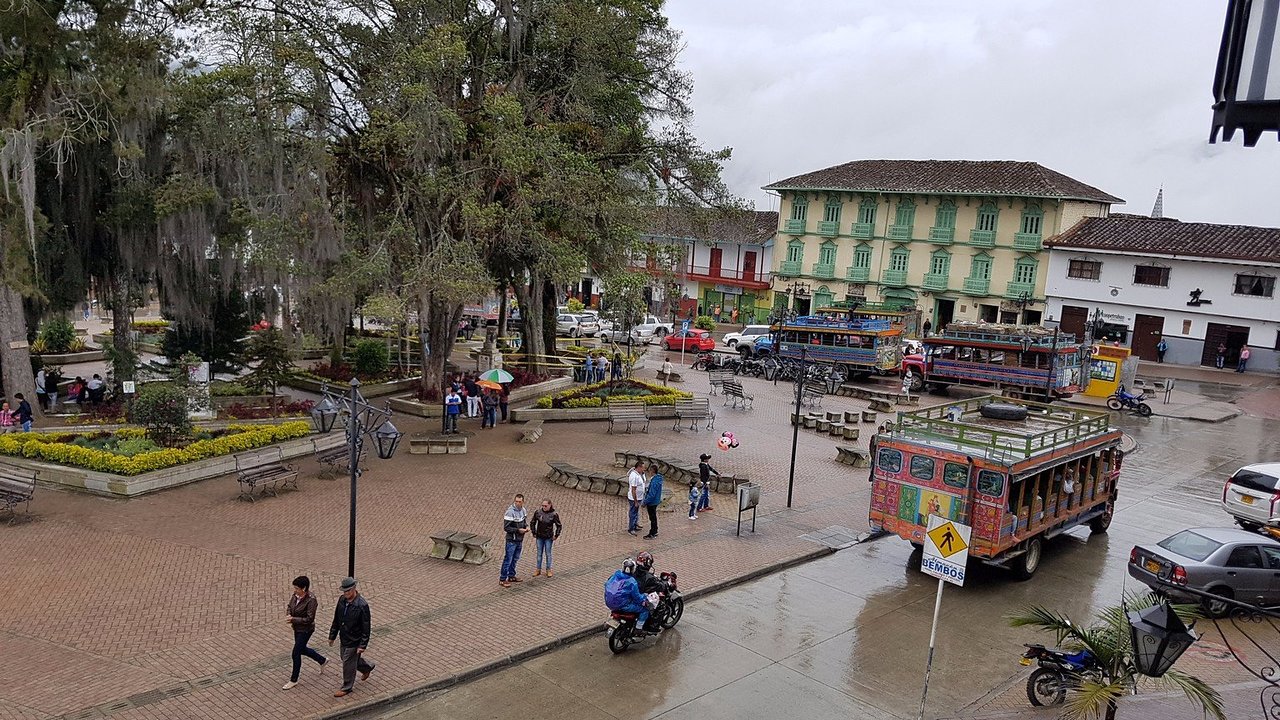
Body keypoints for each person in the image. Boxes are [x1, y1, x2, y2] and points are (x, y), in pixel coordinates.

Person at [327, 577, 374, 697]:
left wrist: (362, 645)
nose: (345, 593)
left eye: (348, 591)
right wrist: (332, 635)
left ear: (354, 589)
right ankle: (366, 667)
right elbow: (336, 619)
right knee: (345, 658)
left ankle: (347, 687)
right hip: (344, 636)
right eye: (344, 591)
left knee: (347, 662)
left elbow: (366, 626)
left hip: (355, 639)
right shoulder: (342, 600)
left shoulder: (362, 605)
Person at [283, 575, 327, 690]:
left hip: (306, 630)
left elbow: (309, 619)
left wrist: (293, 619)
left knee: (296, 653)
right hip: (297, 628)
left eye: (297, 588)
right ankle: (322, 660)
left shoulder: (311, 600)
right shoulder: (295, 595)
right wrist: (289, 614)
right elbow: (290, 605)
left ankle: (294, 680)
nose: (295, 590)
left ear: (304, 588)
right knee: (302, 649)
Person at [603, 559, 653, 635]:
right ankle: (638, 629)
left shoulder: (616, 575)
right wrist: (644, 601)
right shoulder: (631, 582)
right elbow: (637, 597)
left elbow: (606, 584)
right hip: (623, 605)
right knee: (645, 610)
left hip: (609, 603)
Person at [500, 494, 529, 587]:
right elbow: (506, 528)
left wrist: (526, 527)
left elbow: (524, 522)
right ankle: (503, 579)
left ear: (523, 502)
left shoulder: (523, 510)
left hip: (519, 539)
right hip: (511, 540)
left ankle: (511, 575)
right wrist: (518, 530)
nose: (517, 503)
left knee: (515, 558)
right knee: (508, 559)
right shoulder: (510, 512)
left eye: (519, 501)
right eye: (516, 501)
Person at [530, 498, 562, 577]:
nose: (544, 507)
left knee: (548, 553)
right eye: (543, 506)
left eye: (545, 506)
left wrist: (556, 535)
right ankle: (538, 569)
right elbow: (532, 522)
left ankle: (548, 569)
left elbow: (559, 525)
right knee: (539, 553)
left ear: (550, 505)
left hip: (548, 537)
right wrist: (534, 532)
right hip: (539, 536)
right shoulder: (538, 512)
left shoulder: (554, 514)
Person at [642, 467, 664, 539]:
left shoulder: (654, 481)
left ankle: (652, 533)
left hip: (652, 502)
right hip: (656, 500)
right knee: (654, 517)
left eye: (650, 471)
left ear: (652, 471)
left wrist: (645, 502)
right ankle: (655, 530)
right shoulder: (658, 479)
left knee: (652, 518)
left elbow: (652, 494)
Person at [626, 461, 646, 536]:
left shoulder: (641, 474)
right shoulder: (634, 476)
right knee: (633, 513)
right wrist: (636, 501)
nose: (644, 469)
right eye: (643, 468)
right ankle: (631, 529)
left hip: (640, 497)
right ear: (639, 467)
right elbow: (633, 490)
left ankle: (635, 525)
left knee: (636, 512)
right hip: (634, 498)